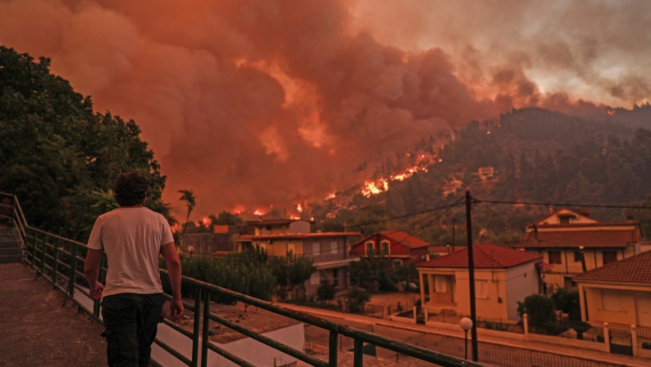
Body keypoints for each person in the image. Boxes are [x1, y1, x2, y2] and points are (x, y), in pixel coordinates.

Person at [84, 171, 184, 367]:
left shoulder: (104, 220)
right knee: (143, 354)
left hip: (119, 297)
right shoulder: (159, 220)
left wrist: (93, 283)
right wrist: (177, 298)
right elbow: (174, 261)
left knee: (123, 357)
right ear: (144, 195)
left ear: (117, 195)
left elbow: (89, 266)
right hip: (151, 298)